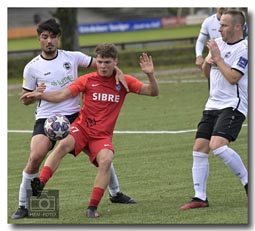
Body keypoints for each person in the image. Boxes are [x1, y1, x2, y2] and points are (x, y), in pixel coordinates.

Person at [11, 18, 135, 220]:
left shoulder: (73, 57)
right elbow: (25, 99)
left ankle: (115, 193)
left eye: (53, 36)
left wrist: (119, 72)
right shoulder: (31, 67)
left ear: (58, 38)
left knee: (100, 153)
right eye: (44, 37)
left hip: (75, 116)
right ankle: (24, 205)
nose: (49, 40)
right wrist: (34, 95)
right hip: (47, 119)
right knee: (35, 158)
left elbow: (104, 63)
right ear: (39, 39)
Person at [21, 44, 159, 218]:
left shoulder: (124, 82)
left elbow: (153, 92)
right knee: (63, 145)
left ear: (115, 62)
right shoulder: (87, 79)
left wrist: (150, 75)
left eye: (107, 62)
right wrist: (40, 95)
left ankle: (92, 207)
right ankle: (40, 184)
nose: (102, 66)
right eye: (100, 61)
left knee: (106, 160)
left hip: (102, 136)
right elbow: (62, 94)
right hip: (82, 128)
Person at [180, 9, 248, 210]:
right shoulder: (217, 43)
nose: (219, 29)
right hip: (212, 104)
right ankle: (200, 197)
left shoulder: (245, 49)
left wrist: (217, 58)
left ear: (237, 26)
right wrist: (207, 64)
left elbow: (233, 77)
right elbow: (208, 74)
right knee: (199, 149)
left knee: (217, 146)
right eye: (219, 24)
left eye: (224, 25)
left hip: (233, 105)